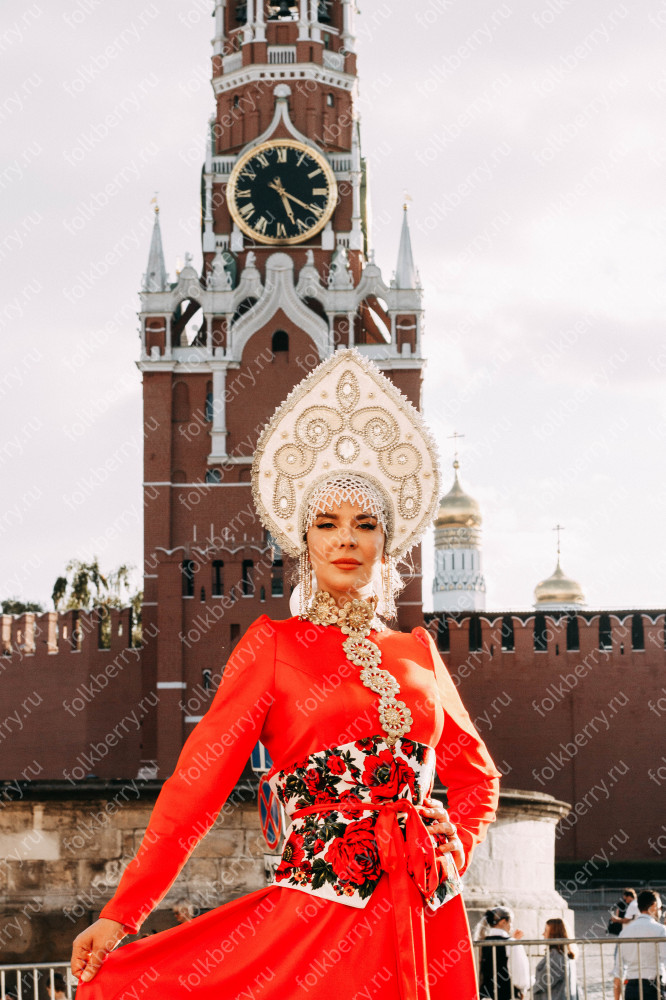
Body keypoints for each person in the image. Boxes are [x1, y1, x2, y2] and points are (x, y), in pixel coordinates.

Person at [69, 348, 502, 999]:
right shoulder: (273, 646)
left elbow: (477, 778)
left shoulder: (418, 651)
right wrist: (122, 912)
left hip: (428, 910)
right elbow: (196, 788)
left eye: (364, 525)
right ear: (305, 541)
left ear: (386, 543)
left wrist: (457, 843)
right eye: (327, 524)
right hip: (321, 917)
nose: (346, 539)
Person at [613, 889, 666, 1000]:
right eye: (660, 908)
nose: (661, 912)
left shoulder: (624, 933)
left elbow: (618, 971)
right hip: (654, 987)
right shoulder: (661, 930)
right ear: (654, 906)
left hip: (631, 988)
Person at [475, 905, 531, 999]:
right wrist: (522, 989)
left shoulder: (480, 943)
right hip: (507, 994)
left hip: (485, 994)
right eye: (510, 922)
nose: (511, 926)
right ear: (503, 922)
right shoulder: (511, 944)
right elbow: (519, 973)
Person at [533, 917, 578, 1000]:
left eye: (546, 931)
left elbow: (546, 979)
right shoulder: (564, 954)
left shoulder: (557, 956)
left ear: (553, 934)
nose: (543, 934)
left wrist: (531, 987)